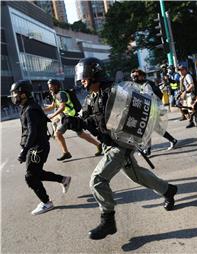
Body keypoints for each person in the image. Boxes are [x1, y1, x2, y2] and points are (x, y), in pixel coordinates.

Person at [75, 57, 177, 240]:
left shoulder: (115, 94)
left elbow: (118, 125)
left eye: (84, 76)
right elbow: (86, 118)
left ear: (94, 75)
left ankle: (108, 221)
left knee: (97, 180)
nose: (82, 80)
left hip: (120, 146)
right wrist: (75, 121)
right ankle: (168, 190)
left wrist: (83, 124)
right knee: (136, 175)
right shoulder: (92, 97)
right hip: (109, 144)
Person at [9, 80, 71, 215]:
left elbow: (33, 133)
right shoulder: (27, 107)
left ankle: (46, 203)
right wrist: (24, 148)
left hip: (38, 147)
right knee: (36, 173)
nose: (14, 97)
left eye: (16, 94)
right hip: (36, 146)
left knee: (30, 176)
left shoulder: (30, 109)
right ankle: (63, 179)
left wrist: (24, 151)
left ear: (24, 94)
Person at [44, 79, 102, 161]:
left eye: (51, 86)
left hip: (70, 117)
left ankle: (66, 153)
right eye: (49, 86)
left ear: (56, 86)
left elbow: (62, 107)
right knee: (81, 134)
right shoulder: (55, 95)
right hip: (68, 118)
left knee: (58, 133)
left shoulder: (61, 94)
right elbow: (52, 106)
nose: (49, 88)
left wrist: (52, 115)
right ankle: (98, 145)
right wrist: (41, 110)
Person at [130, 68, 178, 154]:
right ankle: (173, 140)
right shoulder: (139, 85)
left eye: (136, 76)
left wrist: (155, 106)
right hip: (148, 110)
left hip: (153, 109)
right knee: (157, 128)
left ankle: (148, 150)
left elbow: (156, 95)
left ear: (142, 76)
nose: (135, 78)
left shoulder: (147, 84)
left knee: (146, 128)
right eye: (133, 76)